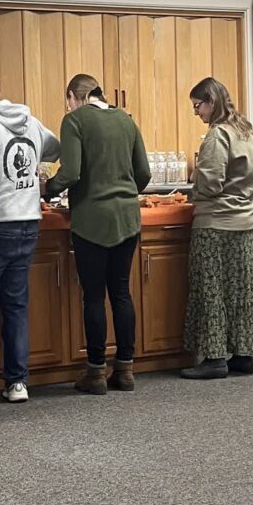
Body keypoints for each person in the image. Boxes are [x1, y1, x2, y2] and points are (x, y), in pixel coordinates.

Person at [44, 74, 150, 395]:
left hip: (91, 221)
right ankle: (126, 369)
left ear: (74, 98)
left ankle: (95, 372)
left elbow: (72, 171)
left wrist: (48, 189)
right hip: (127, 220)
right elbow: (143, 173)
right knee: (121, 292)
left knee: (93, 296)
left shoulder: (74, 120)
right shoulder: (127, 121)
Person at [0, 69, 60, 409]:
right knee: (16, 305)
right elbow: (56, 147)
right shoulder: (29, 119)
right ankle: (17, 382)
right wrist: (33, 170)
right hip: (29, 220)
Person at [181, 77, 253, 379]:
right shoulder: (246, 131)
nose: (197, 112)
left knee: (211, 289)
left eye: (197, 106)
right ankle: (243, 355)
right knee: (241, 290)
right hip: (243, 222)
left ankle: (214, 358)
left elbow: (210, 183)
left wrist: (195, 182)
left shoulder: (217, 135)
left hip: (215, 224)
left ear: (211, 102)